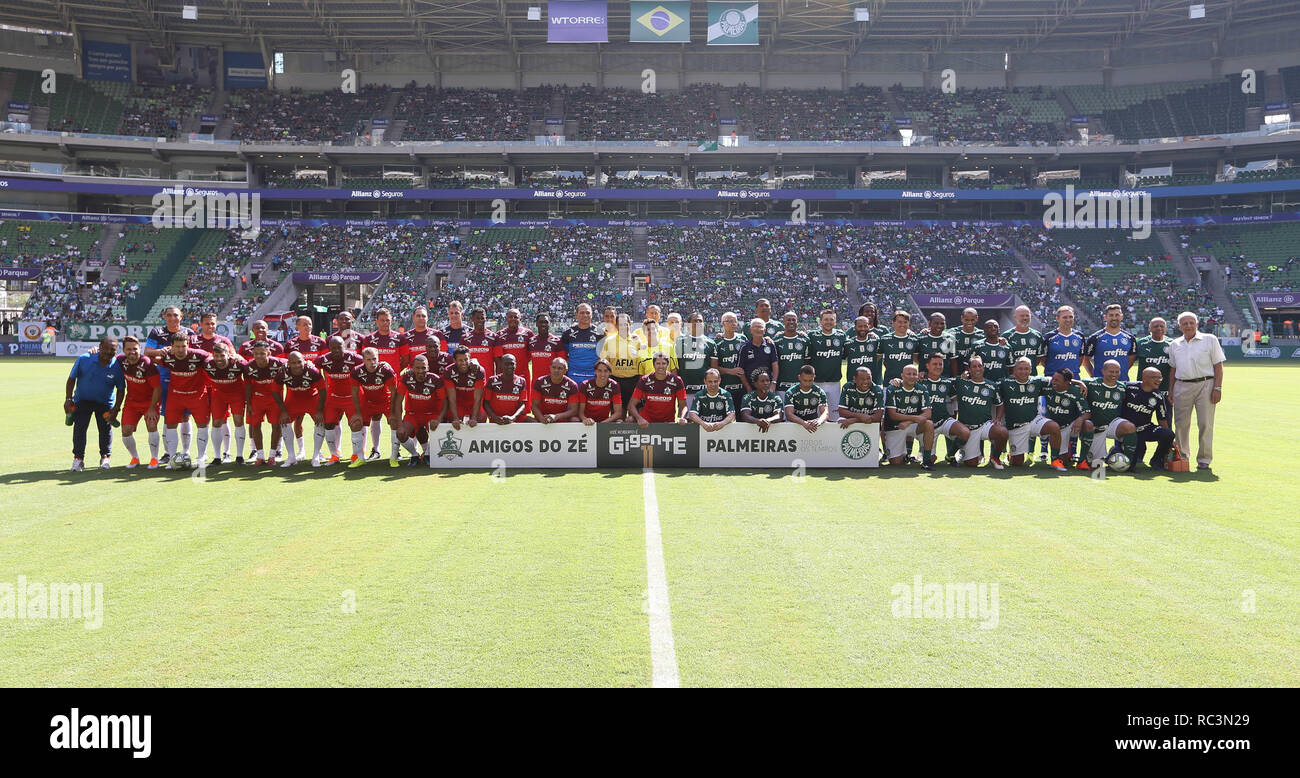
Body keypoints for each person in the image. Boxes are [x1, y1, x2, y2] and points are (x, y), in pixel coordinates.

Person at [1168, 311, 1225, 472]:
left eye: (1191, 323)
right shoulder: (1175, 344)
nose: (1188, 326)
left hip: (1206, 384)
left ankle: (1204, 459)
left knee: (1205, 423)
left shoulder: (1210, 340)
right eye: (1184, 323)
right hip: (1182, 385)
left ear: (1197, 324)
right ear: (1179, 326)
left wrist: (1218, 387)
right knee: (1180, 424)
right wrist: (1171, 390)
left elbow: (1218, 366)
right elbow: (1173, 369)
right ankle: (1182, 456)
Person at [64, 335, 124, 471]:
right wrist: (68, 398)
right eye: (107, 349)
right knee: (80, 429)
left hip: (105, 403)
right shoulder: (85, 359)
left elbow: (121, 389)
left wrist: (116, 408)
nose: (109, 352)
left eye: (113, 350)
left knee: (105, 431)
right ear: (100, 347)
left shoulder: (116, 365)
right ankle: (78, 459)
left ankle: (105, 458)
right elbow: (71, 379)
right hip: (82, 400)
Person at [996, 357, 1067, 471]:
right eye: (1020, 369)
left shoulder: (1037, 381)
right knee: (1017, 463)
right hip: (1016, 427)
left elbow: (1058, 380)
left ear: (1031, 370)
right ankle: (1012, 456)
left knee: (1054, 427)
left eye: (1026, 369)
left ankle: (1055, 460)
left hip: (1034, 421)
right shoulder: (1004, 383)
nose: (1023, 371)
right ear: (1014, 369)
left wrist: (1078, 383)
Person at [155, 333, 212, 470]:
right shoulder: (167, 357)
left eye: (183, 346)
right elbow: (154, 359)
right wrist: (156, 355)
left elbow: (212, 358)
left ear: (188, 345)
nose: (180, 350)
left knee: (203, 425)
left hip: (197, 396)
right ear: (171, 347)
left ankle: (201, 456)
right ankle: (173, 458)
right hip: (176, 397)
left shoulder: (199, 355)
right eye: (177, 347)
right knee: (170, 425)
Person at [313, 336, 364, 464]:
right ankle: (334, 455)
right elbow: (313, 366)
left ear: (344, 346)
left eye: (339, 347)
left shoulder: (354, 358)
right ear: (329, 348)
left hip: (352, 397)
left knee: (355, 425)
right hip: (333, 397)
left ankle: (356, 455)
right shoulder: (324, 360)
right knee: (329, 424)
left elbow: (368, 364)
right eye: (333, 348)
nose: (336, 350)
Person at [348, 346, 399, 468]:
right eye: (369, 359)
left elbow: (394, 392)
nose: (372, 362)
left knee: (395, 422)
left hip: (385, 401)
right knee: (355, 423)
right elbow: (354, 393)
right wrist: (357, 413)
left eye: (374, 359)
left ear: (378, 358)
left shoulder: (386, 371)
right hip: (368, 402)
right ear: (363, 360)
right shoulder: (356, 371)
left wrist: (392, 412)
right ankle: (359, 457)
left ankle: (394, 457)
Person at [393, 354, 447, 466]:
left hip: (431, 414)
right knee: (401, 434)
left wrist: (438, 419)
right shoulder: (406, 378)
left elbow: (445, 402)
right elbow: (398, 401)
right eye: (417, 368)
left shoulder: (435, 380)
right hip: (412, 415)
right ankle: (414, 454)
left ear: (428, 368)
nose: (421, 370)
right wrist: (400, 424)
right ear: (412, 368)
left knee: (439, 433)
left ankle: (427, 453)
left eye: (423, 367)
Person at [273, 351, 326, 466]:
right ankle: (291, 456)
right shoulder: (283, 372)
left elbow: (323, 390)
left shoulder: (312, 371)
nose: (296, 365)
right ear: (288, 363)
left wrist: (320, 410)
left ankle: (316, 455)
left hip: (311, 398)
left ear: (304, 361)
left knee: (321, 421)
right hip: (293, 399)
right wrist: (283, 411)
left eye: (299, 362)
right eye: (293, 363)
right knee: (284, 422)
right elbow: (275, 391)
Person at [953, 355, 1006, 468]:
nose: (977, 368)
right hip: (967, 428)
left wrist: (998, 418)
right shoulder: (961, 382)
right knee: (971, 464)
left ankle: (995, 457)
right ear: (969, 369)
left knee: (1002, 432)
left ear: (983, 368)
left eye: (980, 366)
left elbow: (1000, 404)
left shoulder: (992, 386)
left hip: (984, 426)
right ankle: (962, 450)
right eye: (974, 366)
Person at [117, 335, 162, 469]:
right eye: (129, 349)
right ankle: (135, 458)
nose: (132, 352)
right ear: (124, 350)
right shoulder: (120, 360)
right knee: (126, 430)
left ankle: (154, 458)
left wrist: (152, 408)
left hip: (150, 402)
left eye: (135, 349)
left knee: (151, 425)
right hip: (131, 402)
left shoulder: (147, 364)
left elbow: (157, 388)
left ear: (140, 348)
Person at [1081, 360, 1135, 469]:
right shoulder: (1091, 383)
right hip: (1094, 427)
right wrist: (1079, 383)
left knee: (1129, 427)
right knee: (1096, 464)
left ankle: (1129, 464)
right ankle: (1083, 459)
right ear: (1103, 371)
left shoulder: (1122, 388)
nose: (1114, 375)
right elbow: (1067, 381)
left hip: (1111, 424)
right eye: (1111, 371)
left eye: (1117, 372)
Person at [1119, 367, 1175, 471]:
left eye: (1160, 378)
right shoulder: (1128, 387)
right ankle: (1116, 450)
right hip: (1128, 430)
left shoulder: (1158, 396)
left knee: (1168, 434)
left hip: (1145, 428)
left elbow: (1162, 419)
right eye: (1154, 377)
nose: (1158, 380)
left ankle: (1156, 460)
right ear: (1144, 378)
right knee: (1134, 461)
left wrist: (1170, 439)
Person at [202, 341, 247, 466]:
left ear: (228, 354)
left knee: (238, 421)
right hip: (218, 395)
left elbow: (249, 370)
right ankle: (217, 457)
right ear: (213, 355)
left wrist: (239, 356)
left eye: (222, 356)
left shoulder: (237, 363)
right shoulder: (208, 364)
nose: (219, 359)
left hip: (236, 394)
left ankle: (239, 456)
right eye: (216, 356)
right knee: (216, 423)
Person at [884, 364, 936, 470]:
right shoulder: (893, 388)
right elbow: (892, 414)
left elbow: (927, 413)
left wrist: (909, 422)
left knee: (929, 424)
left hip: (910, 424)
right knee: (896, 462)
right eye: (908, 374)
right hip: (896, 426)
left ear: (917, 376)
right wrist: (915, 418)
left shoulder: (922, 389)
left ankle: (926, 461)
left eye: (914, 374)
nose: (912, 376)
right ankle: (904, 454)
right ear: (902, 375)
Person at [244, 340, 288, 465]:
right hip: (257, 399)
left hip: (275, 400)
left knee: (276, 425)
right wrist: (249, 404)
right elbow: (247, 386)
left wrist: (308, 364)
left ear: (268, 353)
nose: (259, 356)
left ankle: (273, 455)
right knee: (255, 426)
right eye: (256, 353)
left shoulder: (279, 363)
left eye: (262, 353)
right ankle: (260, 455)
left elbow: (293, 363)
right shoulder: (249, 367)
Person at [803, 309, 844, 420]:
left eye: (831, 319)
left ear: (835, 322)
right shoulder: (812, 335)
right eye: (826, 319)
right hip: (816, 382)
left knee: (834, 417)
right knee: (816, 416)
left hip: (834, 383)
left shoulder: (841, 336)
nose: (828, 322)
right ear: (820, 321)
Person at [628, 353, 687, 427]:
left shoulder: (677, 380)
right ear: (653, 365)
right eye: (658, 363)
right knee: (629, 419)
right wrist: (639, 419)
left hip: (668, 423)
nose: (661, 366)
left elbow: (684, 405)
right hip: (646, 423)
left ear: (668, 365)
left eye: (664, 363)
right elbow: (631, 405)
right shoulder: (644, 380)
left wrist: (682, 418)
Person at [600, 312, 642, 407]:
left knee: (634, 412)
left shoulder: (637, 340)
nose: (623, 327)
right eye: (620, 324)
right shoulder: (609, 341)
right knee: (618, 412)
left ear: (630, 324)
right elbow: (604, 362)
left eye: (625, 324)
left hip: (633, 380)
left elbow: (641, 363)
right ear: (616, 325)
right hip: (615, 380)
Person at [1082, 303, 1135, 378]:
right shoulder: (1095, 338)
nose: (1114, 318)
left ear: (1121, 317)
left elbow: (1131, 359)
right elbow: (1085, 360)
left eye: (1117, 315)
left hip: (1123, 383)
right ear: (1105, 317)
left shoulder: (1130, 338)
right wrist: (1094, 376)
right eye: (1111, 315)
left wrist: (1122, 372)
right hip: (1101, 384)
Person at [674, 313, 716, 409]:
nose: (697, 323)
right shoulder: (679, 341)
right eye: (695, 320)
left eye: (700, 321)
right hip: (685, 390)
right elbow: (675, 367)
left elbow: (714, 369)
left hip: (705, 391)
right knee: (686, 421)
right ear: (688, 324)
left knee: (705, 419)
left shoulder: (711, 343)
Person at [442, 344, 486, 429]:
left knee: (481, 418)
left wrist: (474, 418)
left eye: (466, 359)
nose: (464, 363)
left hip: (473, 402)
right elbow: (452, 398)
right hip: (459, 402)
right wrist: (455, 418)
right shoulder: (448, 371)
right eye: (460, 360)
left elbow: (478, 398)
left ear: (470, 358)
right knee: (454, 422)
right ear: (454, 360)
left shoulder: (479, 370)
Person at [712, 312, 747, 411]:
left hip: (741, 388)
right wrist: (730, 371)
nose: (733, 324)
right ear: (723, 324)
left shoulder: (742, 339)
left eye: (735, 321)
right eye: (729, 321)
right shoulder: (717, 342)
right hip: (724, 388)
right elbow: (713, 367)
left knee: (742, 419)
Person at [482, 353, 531, 425]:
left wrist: (513, 417)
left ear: (516, 364)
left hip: (515, 418)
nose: (509, 366)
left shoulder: (521, 381)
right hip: (497, 420)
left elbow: (522, 405)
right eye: (506, 364)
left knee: (535, 423)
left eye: (512, 364)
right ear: (501, 365)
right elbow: (485, 403)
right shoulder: (492, 380)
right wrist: (494, 418)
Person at [533, 358, 581, 424]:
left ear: (565, 370)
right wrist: (541, 418)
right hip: (544, 418)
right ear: (550, 368)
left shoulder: (572, 385)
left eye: (560, 368)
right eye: (554, 367)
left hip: (562, 418)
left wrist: (556, 416)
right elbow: (534, 406)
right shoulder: (539, 382)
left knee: (575, 420)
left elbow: (574, 410)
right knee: (532, 421)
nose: (556, 370)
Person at [737, 318, 778, 396]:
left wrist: (773, 383)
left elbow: (775, 365)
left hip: (767, 387)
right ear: (751, 329)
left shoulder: (770, 345)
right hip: (750, 388)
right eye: (755, 327)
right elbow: (740, 370)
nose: (758, 329)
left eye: (760, 327)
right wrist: (748, 387)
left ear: (764, 330)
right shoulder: (744, 347)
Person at [877, 310, 919, 385]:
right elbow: (876, 359)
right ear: (893, 323)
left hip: (908, 383)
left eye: (905, 322)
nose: (902, 324)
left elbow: (917, 360)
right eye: (900, 322)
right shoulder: (885, 339)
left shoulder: (914, 339)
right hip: (889, 382)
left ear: (909, 323)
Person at [528, 314, 567, 396]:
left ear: (549, 324)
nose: (543, 324)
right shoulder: (531, 341)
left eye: (546, 322)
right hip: (536, 382)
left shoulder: (557, 341)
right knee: (536, 406)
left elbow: (563, 364)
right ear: (536, 324)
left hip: (553, 382)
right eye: (541, 322)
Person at [577, 359, 624, 424]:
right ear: (595, 371)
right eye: (599, 370)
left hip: (604, 422)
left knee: (619, 421)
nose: (602, 374)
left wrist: (602, 424)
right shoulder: (585, 385)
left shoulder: (614, 386)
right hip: (588, 422)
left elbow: (618, 412)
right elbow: (580, 412)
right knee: (575, 419)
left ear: (610, 373)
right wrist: (585, 419)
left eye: (606, 371)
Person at [784, 365, 829, 433]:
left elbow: (825, 413)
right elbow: (789, 415)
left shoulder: (819, 392)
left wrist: (818, 421)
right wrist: (804, 423)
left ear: (814, 377)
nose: (807, 384)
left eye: (810, 380)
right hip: (795, 426)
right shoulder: (790, 392)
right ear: (799, 377)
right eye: (805, 380)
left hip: (813, 427)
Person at [772, 311, 809, 392]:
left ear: (797, 322)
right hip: (781, 386)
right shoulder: (776, 340)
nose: (791, 322)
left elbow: (807, 362)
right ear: (783, 322)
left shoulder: (805, 340)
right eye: (788, 320)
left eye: (793, 320)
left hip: (800, 386)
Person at [461, 307, 495, 377]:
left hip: (488, 379)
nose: (480, 320)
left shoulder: (494, 337)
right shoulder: (464, 338)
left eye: (482, 318)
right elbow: (461, 360)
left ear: (486, 319)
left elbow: (498, 362)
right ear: (472, 319)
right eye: (477, 318)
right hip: (469, 378)